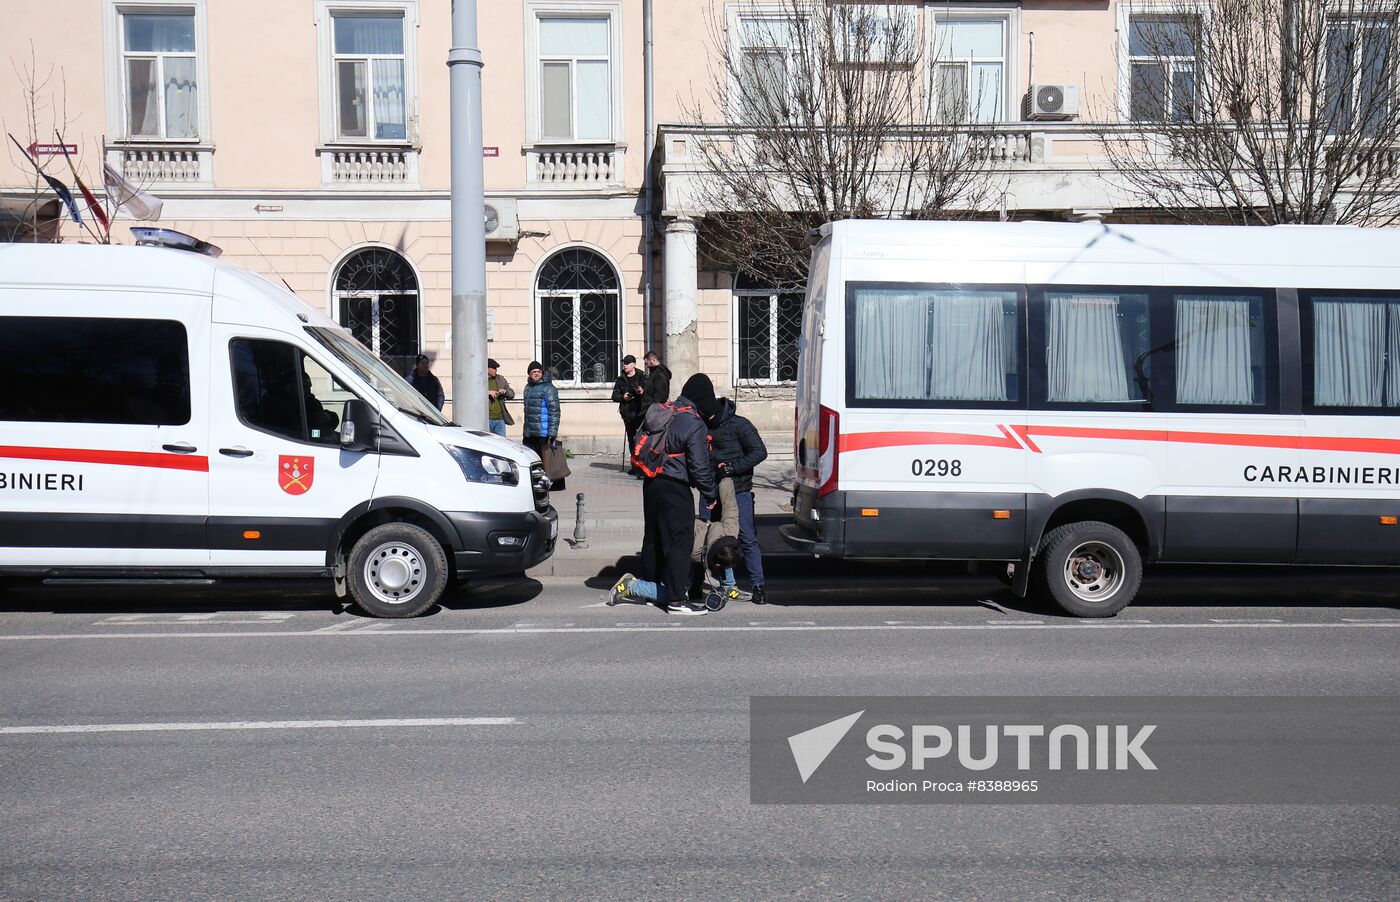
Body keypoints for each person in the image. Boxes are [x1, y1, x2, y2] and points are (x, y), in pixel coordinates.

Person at [608, 372, 719, 616]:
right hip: (675, 486)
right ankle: (677, 600)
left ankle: (651, 589)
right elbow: (699, 466)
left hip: (651, 483)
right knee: (680, 541)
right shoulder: (693, 422)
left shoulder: (664, 411)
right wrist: (710, 494)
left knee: (655, 537)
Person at [707, 395, 770, 604]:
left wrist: (733, 468)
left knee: (746, 538)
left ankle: (758, 586)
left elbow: (760, 452)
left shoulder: (739, 424)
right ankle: (727, 584)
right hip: (715, 490)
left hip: (739, 490)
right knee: (718, 539)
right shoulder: (705, 424)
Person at [521, 361, 563, 490]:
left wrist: (552, 431)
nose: (536, 374)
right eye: (533, 372)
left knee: (548, 461)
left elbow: (554, 411)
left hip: (543, 432)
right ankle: (536, 482)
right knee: (531, 459)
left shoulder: (549, 388)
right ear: (529, 374)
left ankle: (554, 484)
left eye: (538, 372)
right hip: (530, 431)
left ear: (542, 373)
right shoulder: (527, 388)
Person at [611, 354, 646, 474]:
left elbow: (649, 393)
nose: (624, 365)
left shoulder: (642, 376)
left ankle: (643, 465)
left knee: (642, 440)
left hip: (641, 413)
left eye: (627, 363)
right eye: (624, 363)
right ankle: (635, 465)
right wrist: (623, 397)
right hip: (628, 414)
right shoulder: (621, 379)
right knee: (632, 440)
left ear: (634, 364)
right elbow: (614, 396)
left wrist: (642, 391)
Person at [486, 358, 515, 437]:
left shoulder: (500, 379)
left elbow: (512, 394)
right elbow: (474, 393)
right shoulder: (480, 379)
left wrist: (505, 392)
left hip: (500, 419)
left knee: (502, 444)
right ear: (487, 368)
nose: (496, 370)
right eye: (494, 368)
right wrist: (487, 392)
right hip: (486, 420)